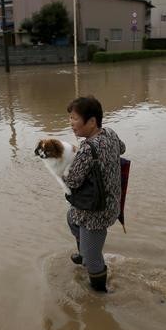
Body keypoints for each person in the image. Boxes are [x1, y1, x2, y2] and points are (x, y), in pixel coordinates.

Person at [64, 96, 126, 293]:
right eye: (70, 118)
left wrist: (63, 166)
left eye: (74, 119)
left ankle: (100, 293)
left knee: (93, 260)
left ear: (91, 121)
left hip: (96, 211)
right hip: (113, 203)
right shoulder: (110, 133)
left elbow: (72, 181)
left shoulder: (87, 149)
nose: (71, 123)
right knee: (72, 217)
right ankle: (84, 253)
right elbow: (122, 148)